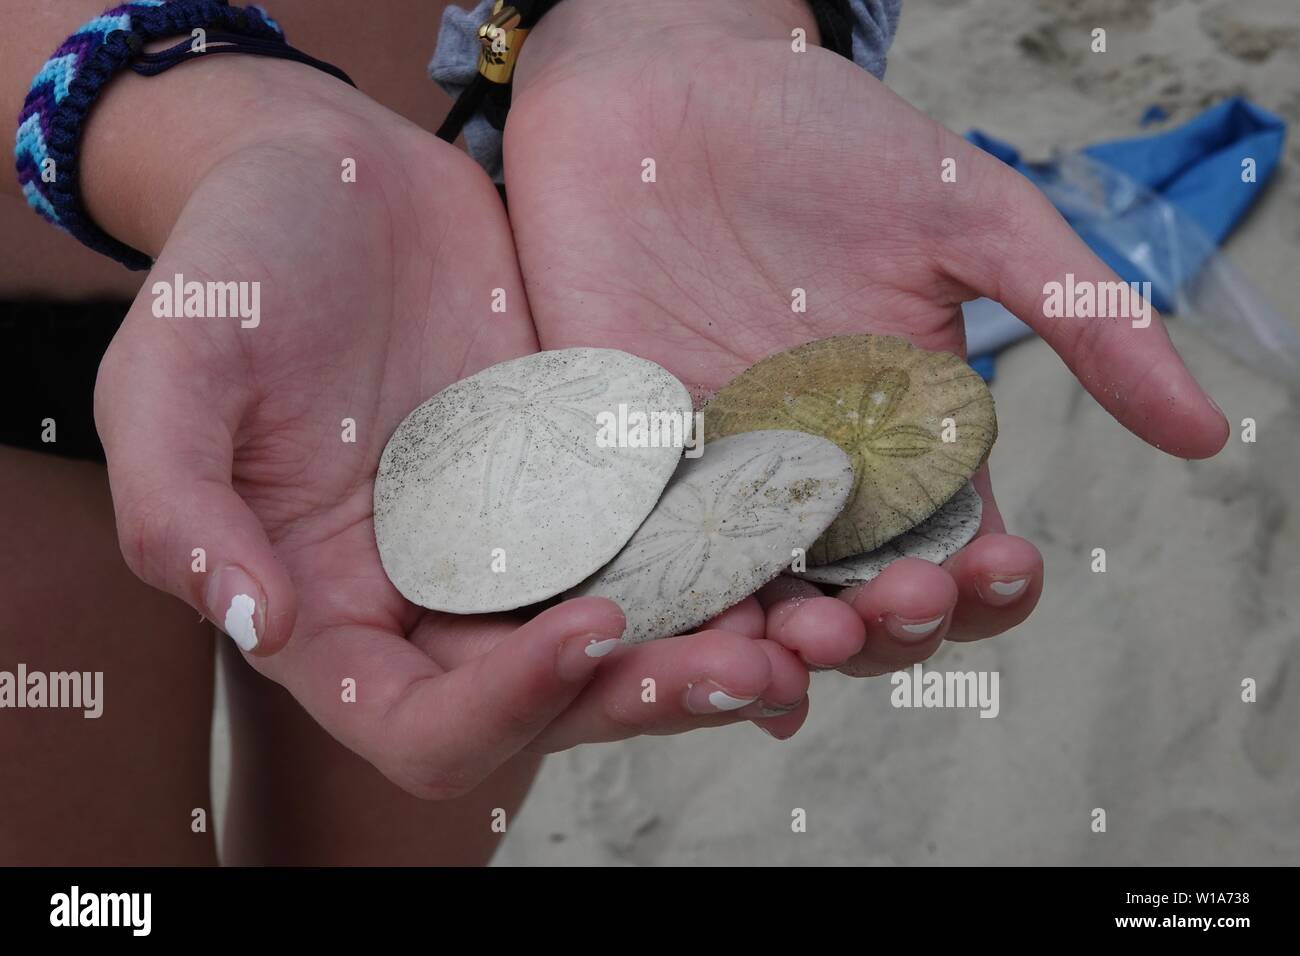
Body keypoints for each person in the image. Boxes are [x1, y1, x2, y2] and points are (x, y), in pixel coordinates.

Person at [0, 0, 1227, 866]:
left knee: (408, 789)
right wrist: (196, 125)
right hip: (28, 363)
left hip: (478, 252)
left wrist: (691, 17)